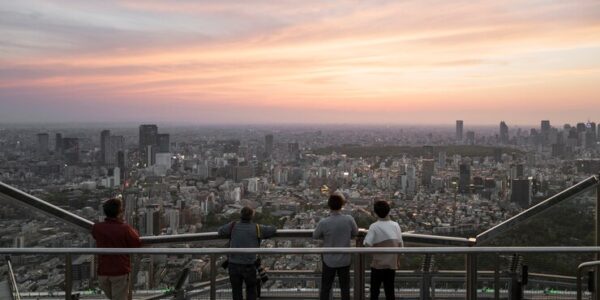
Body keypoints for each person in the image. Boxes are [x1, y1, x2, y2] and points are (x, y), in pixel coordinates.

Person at [218, 206, 277, 300]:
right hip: (249, 265)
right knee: (251, 290)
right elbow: (273, 230)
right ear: (251, 216)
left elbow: (220, 231)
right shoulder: (257, 228)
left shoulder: (233, 225)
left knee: (236, 291)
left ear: (240, 215)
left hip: (234, 264)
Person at [92, 197, 141, 300]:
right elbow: (136, 242)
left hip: (103, 272)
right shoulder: (124, 228)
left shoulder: (97, 227)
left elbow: (96, 235)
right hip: (119, 272)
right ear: (119, 212)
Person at [313, 193, 358, 300]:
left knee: (326, 287)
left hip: (329, 259)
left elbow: (315, 236)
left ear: (329, 206)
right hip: (344, 259)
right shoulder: (349, 219)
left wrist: (325, 237)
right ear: (342, 205)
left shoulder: (324, 222)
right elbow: (355, 233)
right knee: (345, 287)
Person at [363, 200, 404, 300]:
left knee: (374, 291)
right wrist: (397, 261)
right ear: (389, 211)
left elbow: (366, 243)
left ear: (376, 213)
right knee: (390, 291)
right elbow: (400, 245)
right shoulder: (395, 225)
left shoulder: (374, 226)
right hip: (391, 264)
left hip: (378, 265)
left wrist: (375, 249)